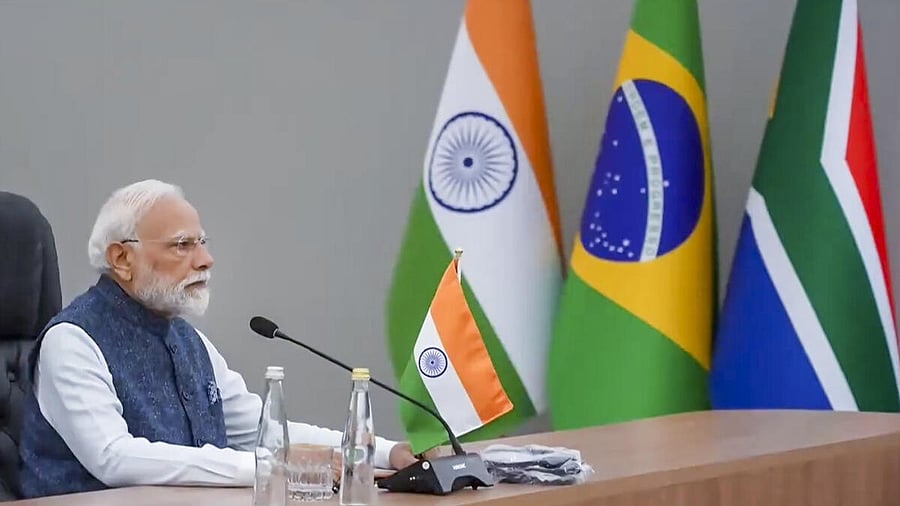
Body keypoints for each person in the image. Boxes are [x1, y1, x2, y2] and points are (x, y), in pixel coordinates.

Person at [18, 179, 428, 498]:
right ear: (122, 258)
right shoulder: (72, 341)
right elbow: (115, 458)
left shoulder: (187, 340)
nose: (205, 259)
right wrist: (269, 467)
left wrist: (385, 452)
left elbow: (262, 432)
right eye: (182, 245)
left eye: (202, 243)